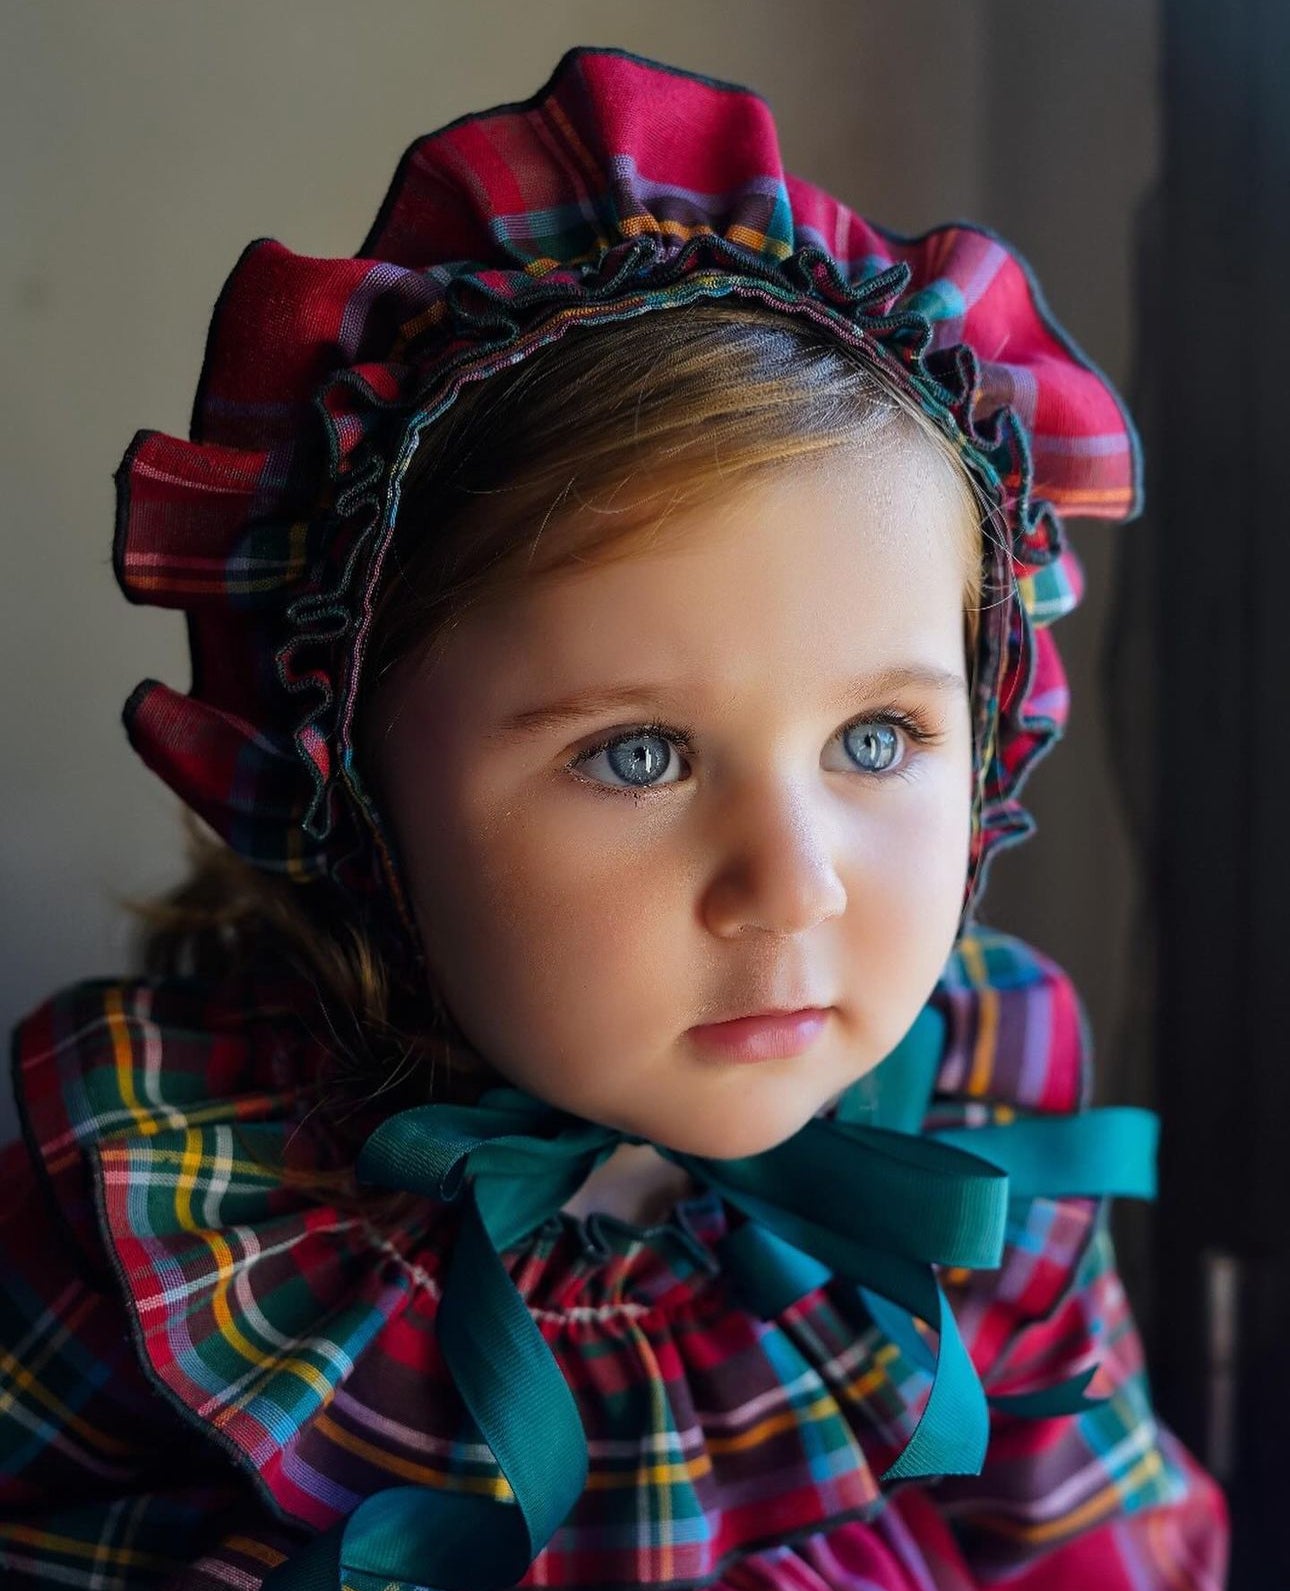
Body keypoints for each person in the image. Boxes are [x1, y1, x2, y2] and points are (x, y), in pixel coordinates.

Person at [0, 45, 1228, 1591]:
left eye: (876, 734)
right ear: (354, 780)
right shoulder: (171, 1212)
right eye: (639, 756)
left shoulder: (987, 1119)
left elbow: (1094, 1544)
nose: (790, 890)